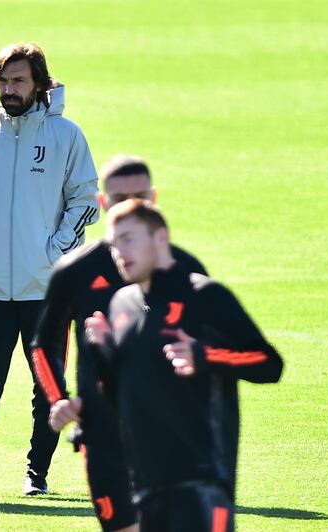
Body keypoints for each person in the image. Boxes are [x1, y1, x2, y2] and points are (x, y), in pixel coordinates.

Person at [78, 200, 283, 531]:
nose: (119, 252)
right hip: (145, 487)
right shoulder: (121, 305)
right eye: (114, 243)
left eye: (128, 239)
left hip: (204, 485)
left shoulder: (205, 296)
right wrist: (104, 355)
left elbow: (269, 364)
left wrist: (207, 356)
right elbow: (121, 396)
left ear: (160, 238)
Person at [0, 42, 99, 495]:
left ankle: (37, 473)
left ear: (38, 83)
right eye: (3, 80)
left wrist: (55, 253)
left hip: (48, 291)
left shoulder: (65, 135)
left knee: (47, 389)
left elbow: (86, 200)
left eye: (19, 81)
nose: (10, 89)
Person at [31, 155, 207, 532]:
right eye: (120, 198)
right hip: (103, 433)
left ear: (155, 198)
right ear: (102, 204)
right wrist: (58, 398)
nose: (131, 208)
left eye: (140, 197)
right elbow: (43, 344)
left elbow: (209, 348)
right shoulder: (76, 271)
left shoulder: (187, 270)